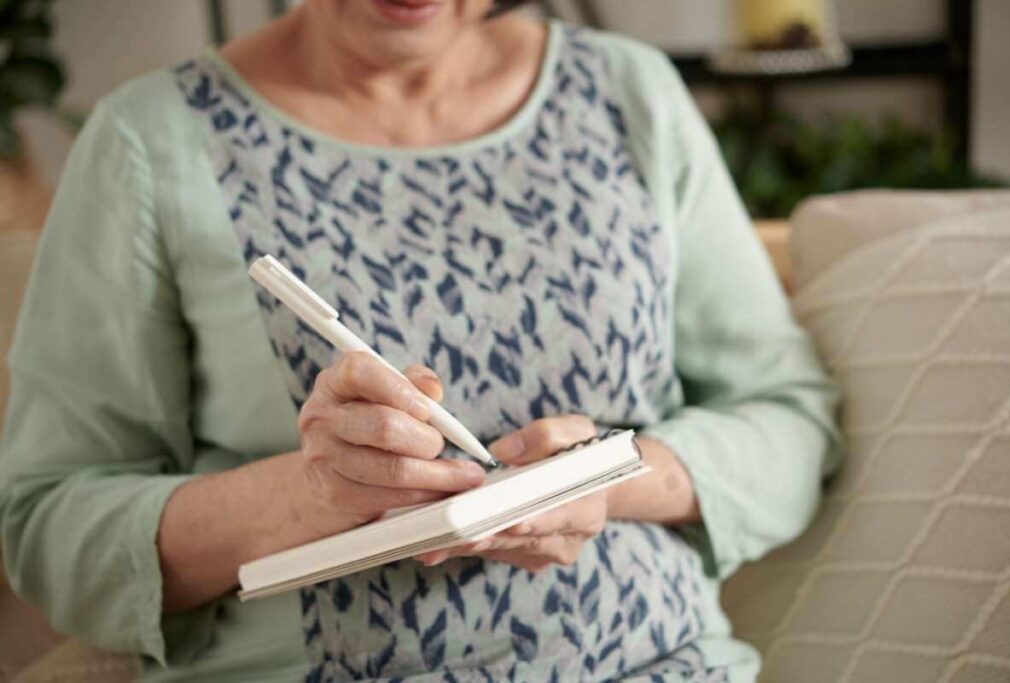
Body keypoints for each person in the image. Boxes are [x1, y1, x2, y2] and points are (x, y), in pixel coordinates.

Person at [0, 0, 842, 680]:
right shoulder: (150, 140)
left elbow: (791, 422)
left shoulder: (628, 92)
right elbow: (47, 532)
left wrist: (609, 480)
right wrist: (314, 495)